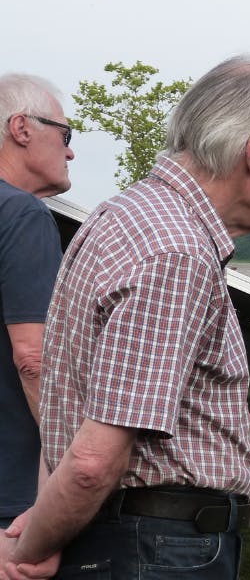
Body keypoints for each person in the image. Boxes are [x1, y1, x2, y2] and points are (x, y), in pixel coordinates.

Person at [2, 55, 250, 579]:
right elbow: (90, 463)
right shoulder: (176, 252)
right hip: (160, 548)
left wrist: (41, 523)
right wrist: (28, 551)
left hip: (129, 540)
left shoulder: (120, 216)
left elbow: (65, 404)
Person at [0, 74, 74, 530]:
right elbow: (34, 358)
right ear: (22, 128)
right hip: (12, 496)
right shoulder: (20, 214)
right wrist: (74, 475)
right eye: (65, 134)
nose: (69, 151)